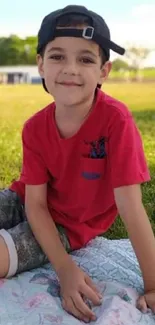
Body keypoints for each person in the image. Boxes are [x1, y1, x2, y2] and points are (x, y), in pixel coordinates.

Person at [0, 4, 155, 323]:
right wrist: (63, 267)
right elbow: (35, 204)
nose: (70, 68)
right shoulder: (34, 127)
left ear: (104, 71)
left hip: (69, 226)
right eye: (57, 56)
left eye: (85, 59)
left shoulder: (116, 121)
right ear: (41, 65)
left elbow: (131, 208)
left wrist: (65, 266)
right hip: (25, 201)